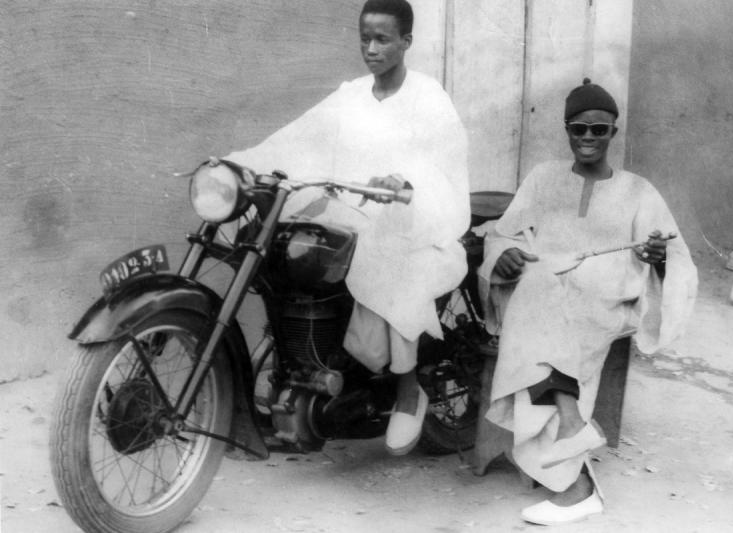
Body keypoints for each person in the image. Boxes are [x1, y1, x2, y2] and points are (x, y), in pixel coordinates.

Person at [224, 0, 470, 456]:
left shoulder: (428, 97)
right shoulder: (350, 94)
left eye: (382, 39)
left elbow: (447, 168)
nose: (371, 48)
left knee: (391, 268)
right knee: (287, 250)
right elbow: (297, 135)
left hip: (413, 225)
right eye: (364, 38)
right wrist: (243, 163)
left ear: (406, 42)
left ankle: (407, 390)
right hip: (351, 215)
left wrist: (407, 185)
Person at [477, 79, 697, 525]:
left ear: (613, 132)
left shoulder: (639, 190)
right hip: (547, 293)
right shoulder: (542, 178)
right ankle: (572, 440)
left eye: (599, 130)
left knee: (538, 308)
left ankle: (572, 474)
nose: (589, 139)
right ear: (567, 131)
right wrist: (505, 255)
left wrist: (656, 259)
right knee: (539, 292)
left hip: (606, 298)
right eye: (579, 129)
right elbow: (502, 233)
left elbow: (674, 254)